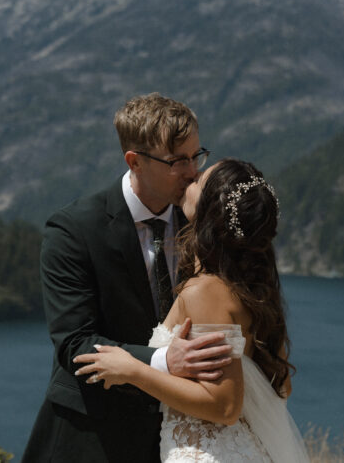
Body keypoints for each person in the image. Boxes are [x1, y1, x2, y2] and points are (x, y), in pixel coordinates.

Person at [22, 93, 235, 462]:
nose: (192, 171)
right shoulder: (73, 230)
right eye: (177, 161)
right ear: (134, 161)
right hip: (92, 437)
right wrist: (165, 362)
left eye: (196, 156)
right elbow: (75, 344)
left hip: (177, 439)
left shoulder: (201, 221)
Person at [73, 158, 309, 462]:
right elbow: (280, 387)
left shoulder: (206, 291)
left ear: (211, 211)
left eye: (199, 180)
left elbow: (225, 407)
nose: (192, 175)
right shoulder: (252, 290)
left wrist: (134, 372)